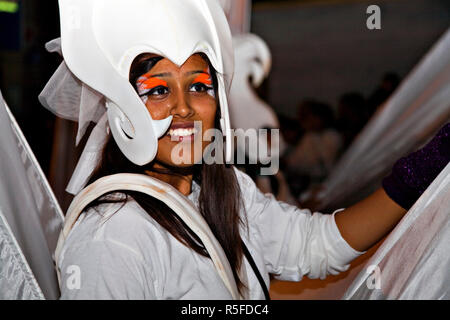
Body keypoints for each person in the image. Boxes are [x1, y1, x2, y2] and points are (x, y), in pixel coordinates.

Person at [41, 0, 449, 300]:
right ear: (119, 108)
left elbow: (314, 246)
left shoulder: (224, 188)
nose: (184, 108)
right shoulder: (112, 237)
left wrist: (418, 174)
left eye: (199, 85)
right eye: (158, 90)